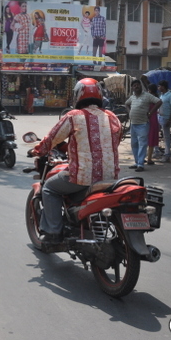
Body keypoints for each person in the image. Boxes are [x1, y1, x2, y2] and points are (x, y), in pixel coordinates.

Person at [29, 78, 123, 244]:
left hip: (83, 178)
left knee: (50, 188)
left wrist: (37, 150)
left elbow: (51, 139)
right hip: (110, 178)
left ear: (78, 95)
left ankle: (53, 232)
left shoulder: (74, 116)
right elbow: (111, 143)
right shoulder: (113, 117)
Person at [125, 79, 161, 172]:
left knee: (142, 144)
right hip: (133, 124)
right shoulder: (132, 97)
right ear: (132, 88)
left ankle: (141, 164)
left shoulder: (147, 95)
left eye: (138, 85)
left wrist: (150, 113)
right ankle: (137, 162)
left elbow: (159, 102)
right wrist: (130, 112)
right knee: (134, 144)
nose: (136, 86)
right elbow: (126, 104)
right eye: (134, 85)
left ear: (141, 86)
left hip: (143, 124)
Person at [157, 79, 171, 164]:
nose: (158, 87)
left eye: (160, 86)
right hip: (160, 117)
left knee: (167, 137)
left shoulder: (170, 95)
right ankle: (157, 151)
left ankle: (167, 154)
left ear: (163, 87)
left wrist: (170, 119)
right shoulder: (161, 95)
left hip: (166, 118)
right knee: (160, 136)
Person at [146, 84, 161, 166]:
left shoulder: (149, 98)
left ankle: (147, 158)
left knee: (146, 138)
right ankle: (149, 158)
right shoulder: (156, 98)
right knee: (151, 139)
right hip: (154, 119)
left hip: (149, 118)